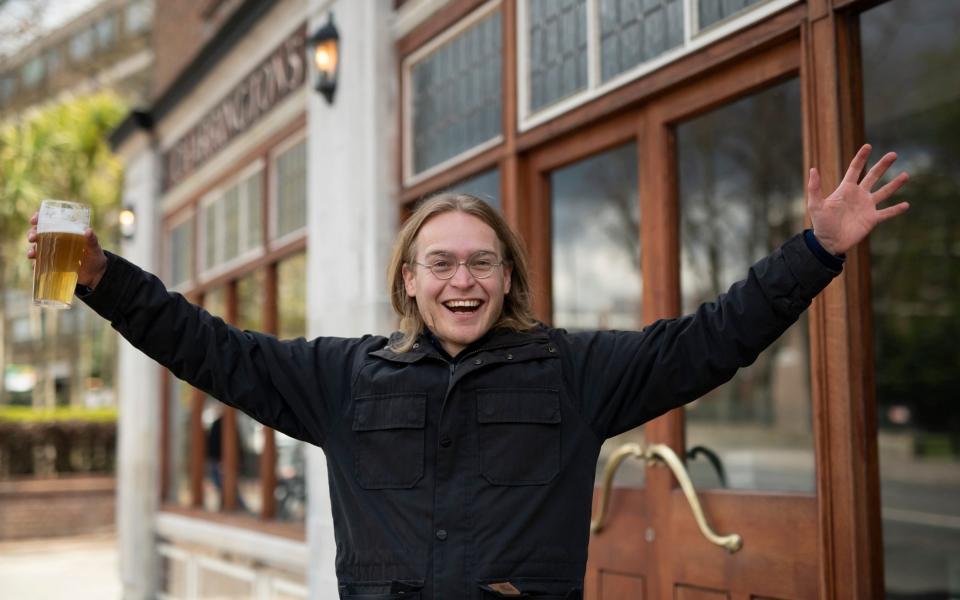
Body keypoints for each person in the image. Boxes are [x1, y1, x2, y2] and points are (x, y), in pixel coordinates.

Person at [26, 145, 909, 599]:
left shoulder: (574, 370)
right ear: (408, 280)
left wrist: (816, 250)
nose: (462, 281)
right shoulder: (343, 377)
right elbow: (205, 345)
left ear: (509, 277)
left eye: (481, 263)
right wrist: (105, 279)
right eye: (440, 263)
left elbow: (715, 338)